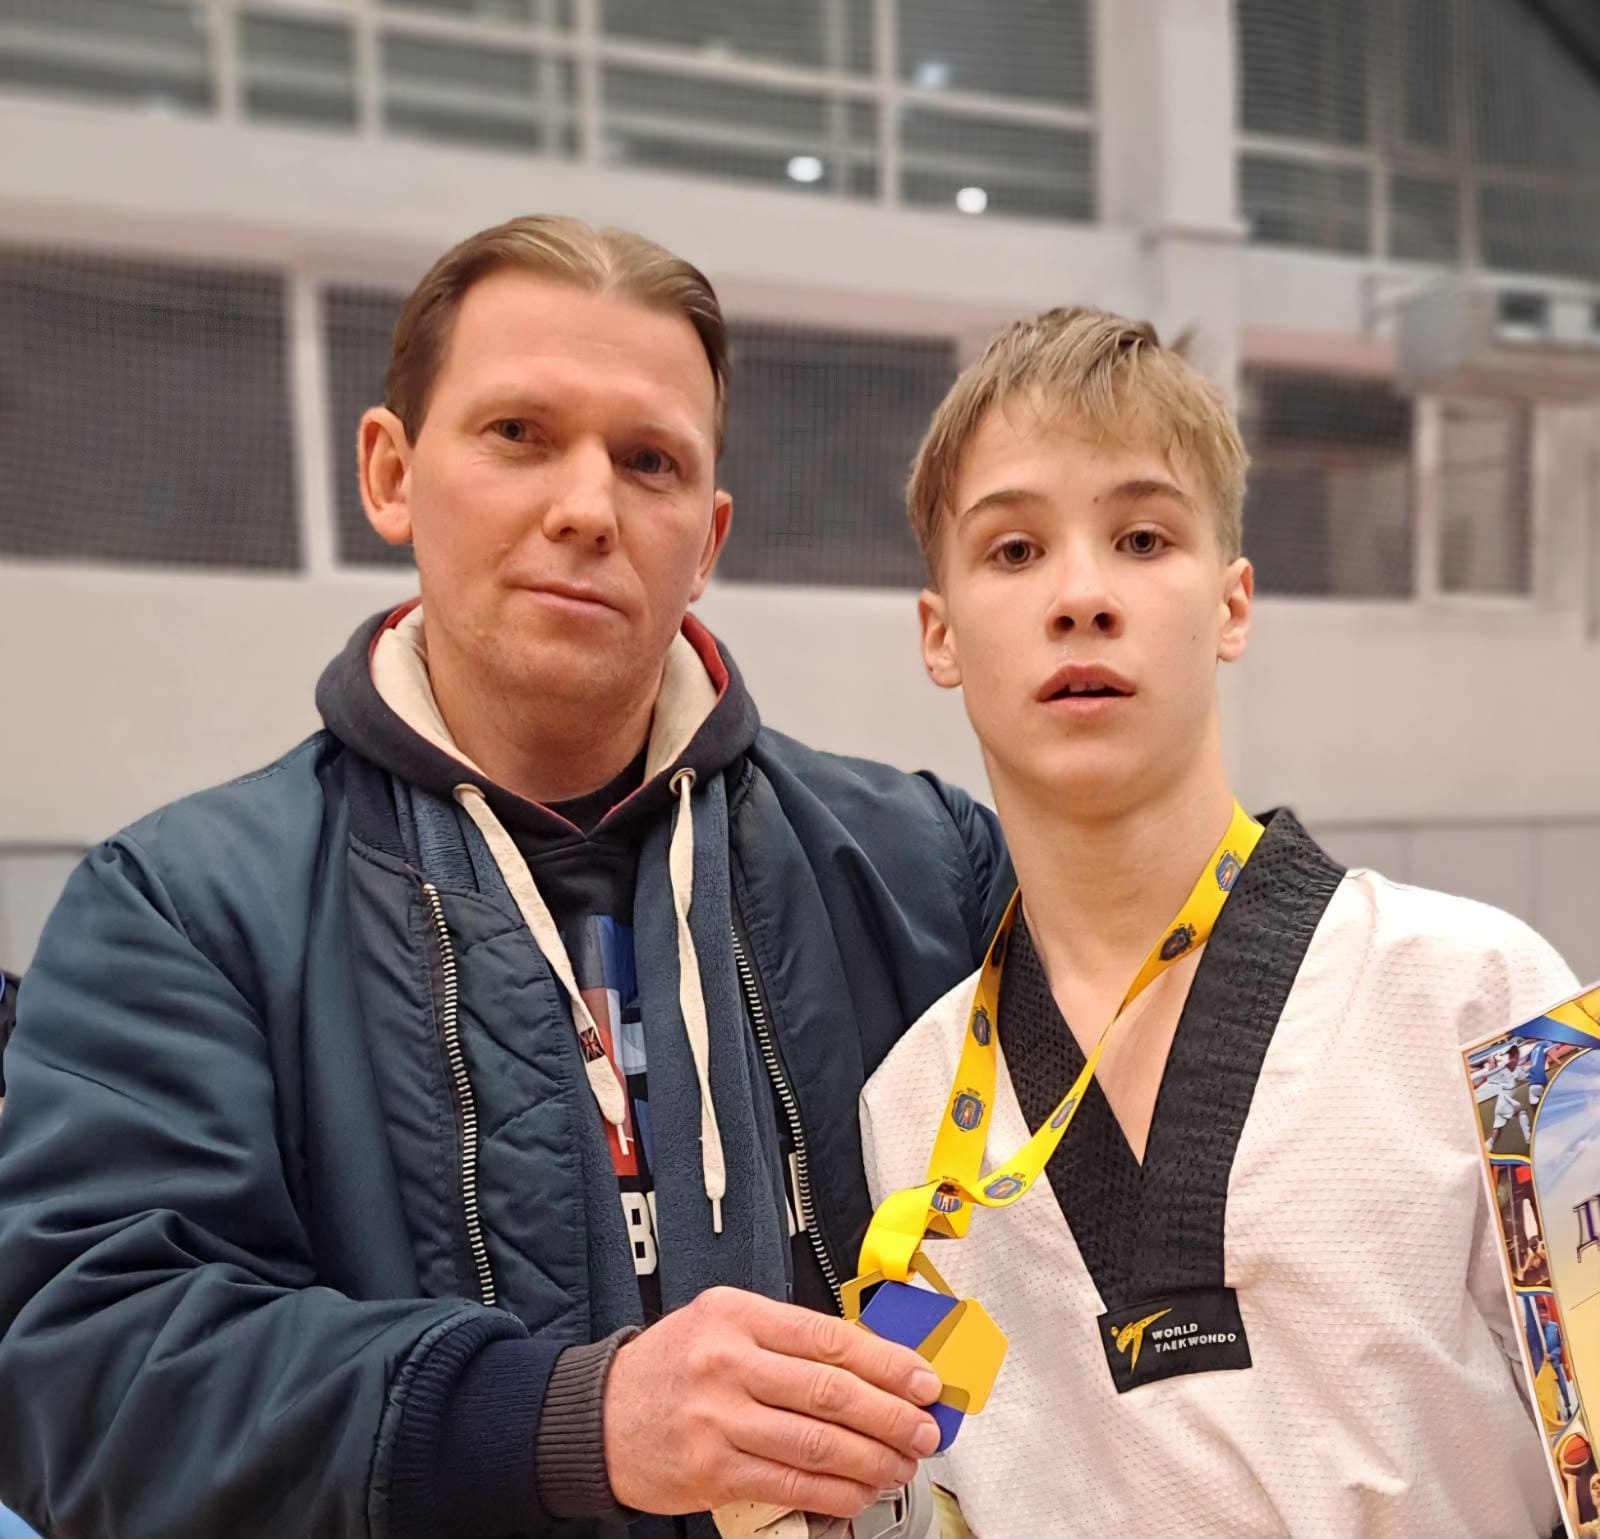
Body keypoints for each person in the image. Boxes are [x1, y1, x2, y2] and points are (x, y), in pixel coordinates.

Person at [0, 216, 1013, 1539]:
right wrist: (565, 1421)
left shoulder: (927, 866)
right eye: (519, 433)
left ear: (706, 538)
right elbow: (83, 1369)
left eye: (648, 461)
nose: (586, 507)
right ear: (391, 473)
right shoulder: (183, 910)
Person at [859, 307, 1575, 1536]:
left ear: (1233, 604)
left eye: (1141, 538)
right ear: (940, 634)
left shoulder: (1504, 1001)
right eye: (1014, 550)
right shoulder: (909, 1112)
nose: (1081, 596)